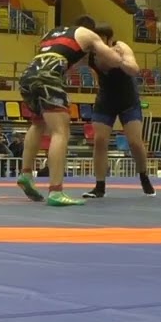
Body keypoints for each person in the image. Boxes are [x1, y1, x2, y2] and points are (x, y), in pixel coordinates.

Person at [16, 15, 136, 207]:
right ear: (90, 29)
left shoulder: (53, 33)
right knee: (60, 132)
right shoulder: (88, 35)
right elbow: (113, 61)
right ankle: (56, 191)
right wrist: (118, 53)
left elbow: (64, 56)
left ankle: (26, 173)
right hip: (48, 77)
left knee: (38, 123)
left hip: (28, 76)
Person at [83, 23, 154, 198]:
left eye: (101, 40)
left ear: (109, 40)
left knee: (135, 142)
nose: (98, 43)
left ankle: (143, 175)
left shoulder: (121, 47)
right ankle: (100, 186)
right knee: (100, 141)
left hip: (128, 100)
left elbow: (134, 69)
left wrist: (119, 60)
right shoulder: (91, 53)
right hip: (106, 100)